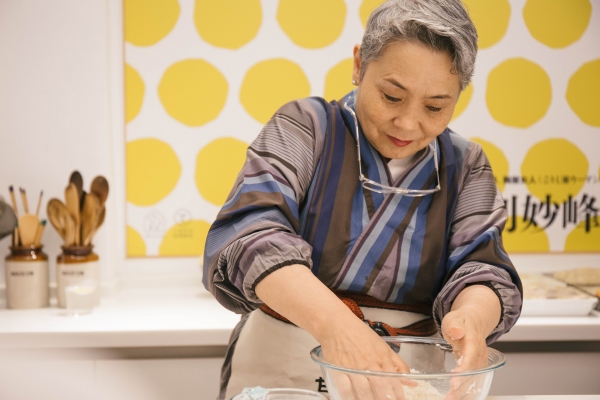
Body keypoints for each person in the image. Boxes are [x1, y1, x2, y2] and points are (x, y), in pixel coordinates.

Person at [203, 1, 523, 399]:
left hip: (403, 376)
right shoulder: (305, 127)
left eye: (435, 106)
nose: (408, 123)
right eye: (392, 96)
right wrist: (336, 326)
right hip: (283, 364)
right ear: (359, 66)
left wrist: (474, 318)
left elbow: (481, 266)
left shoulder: (467, 165)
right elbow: (251, 234)